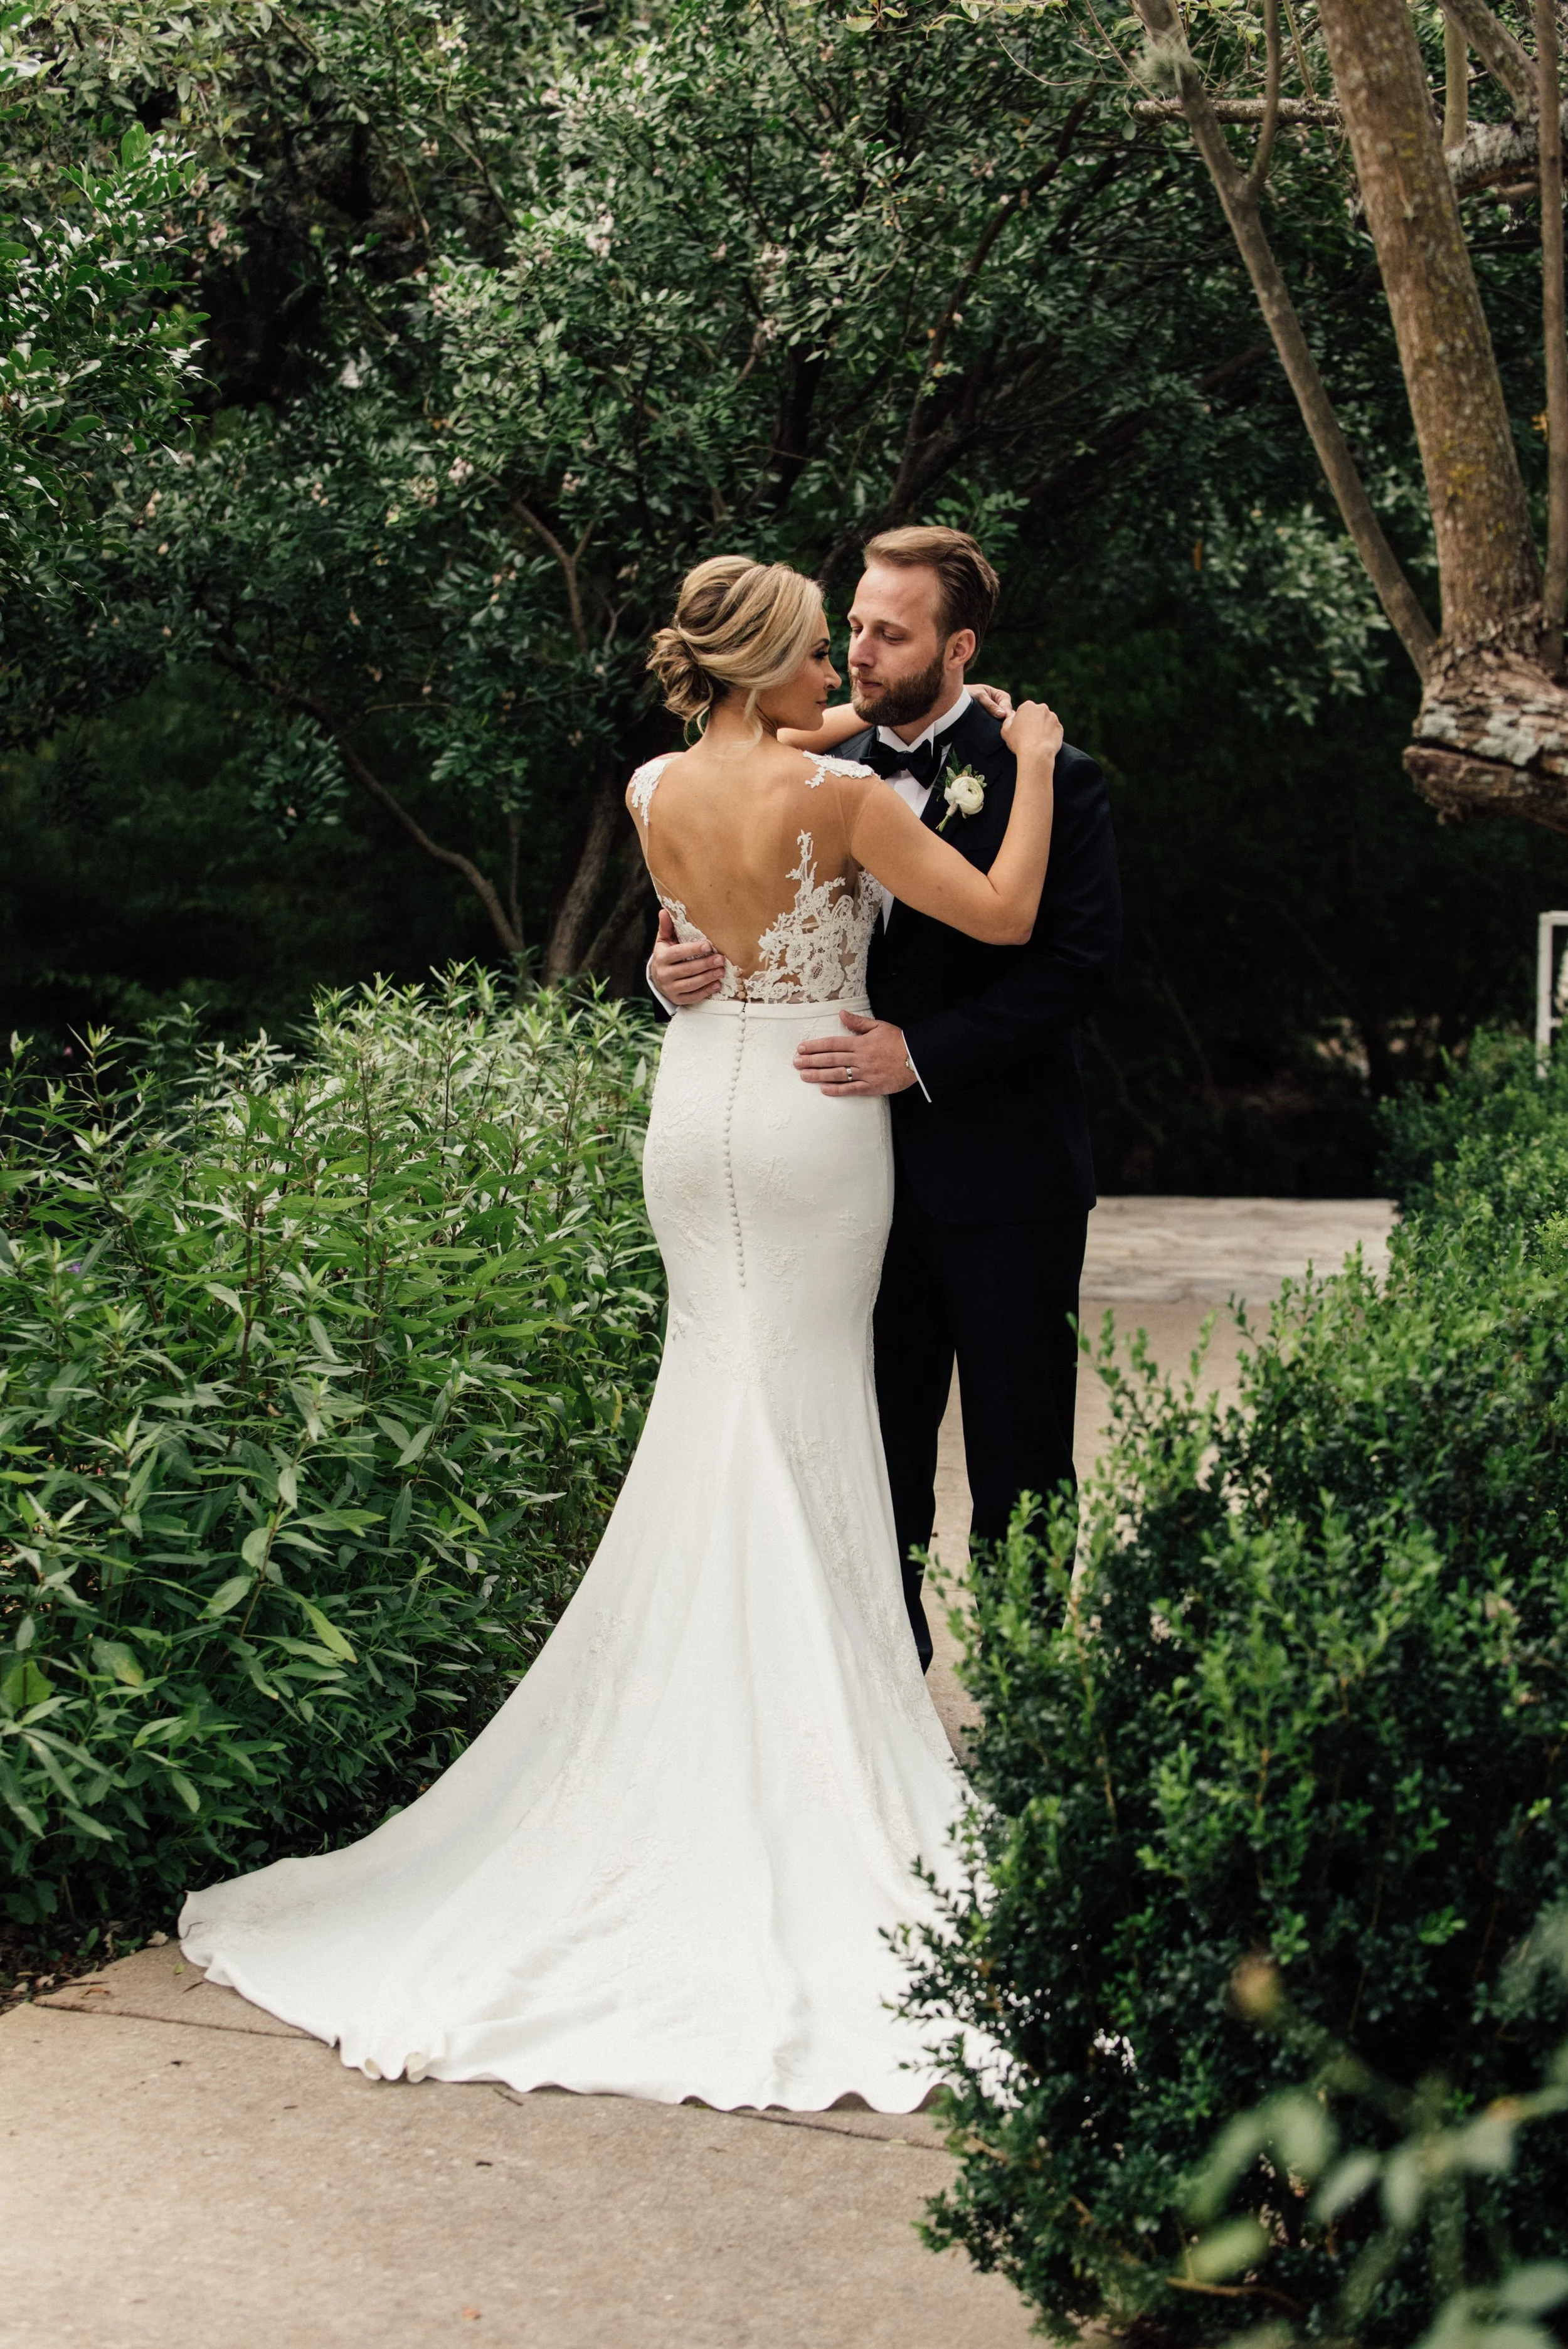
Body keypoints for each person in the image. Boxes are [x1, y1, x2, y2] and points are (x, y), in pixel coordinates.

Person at [179, 554, 1061, 2114]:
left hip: (692, 1103)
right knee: (799, 1405)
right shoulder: (843, 800)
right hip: (806, 1119)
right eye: (816, 652)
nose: (838, 675)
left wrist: (690, 943)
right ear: (768, 665)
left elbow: (696, 929)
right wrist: (1034, 761)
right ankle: (808, 1747)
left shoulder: (658, 783)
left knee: (718, 1398)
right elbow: (999, 911)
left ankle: (694, 1728)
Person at [651, 528, 1121, 1670]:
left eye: (888, 633)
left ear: (958, 646)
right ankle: (885, 1700)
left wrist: (923, 1055)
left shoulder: (1049, 775)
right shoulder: (821, 768)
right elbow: (728, 920)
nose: (859, 650)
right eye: (851, 626)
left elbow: (1073, 966)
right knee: (872, 1452)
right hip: (839, 1172)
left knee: (1020, 1454)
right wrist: (669, 976)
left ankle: (1024, 1707)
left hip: (1004, 1174)